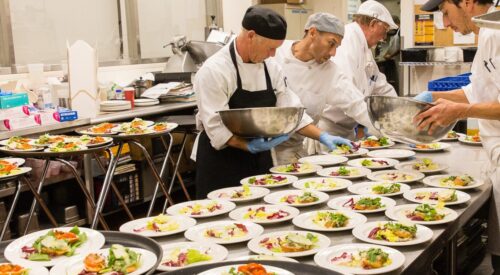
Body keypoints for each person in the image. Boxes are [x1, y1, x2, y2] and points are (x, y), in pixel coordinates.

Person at [193, 6, 352, 199]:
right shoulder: (215, 70)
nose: (273, 55)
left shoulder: (271, 67)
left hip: (259, 158)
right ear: (251, 35)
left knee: (260, 213)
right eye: (271, 48)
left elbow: (292, 110)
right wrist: (248, 146)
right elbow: (216, 128)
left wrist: (323, 136)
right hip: (222, 160)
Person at [414, 0, 500, 272]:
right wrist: (431, 97)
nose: (447, 24)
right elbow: (478, 90)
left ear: (467, 2)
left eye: (446, 13)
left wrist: (459, 111)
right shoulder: (487, 32)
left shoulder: (497, 31)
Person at [271, 12, 377, 164]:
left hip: (292, 151)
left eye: (337, 47)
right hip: (260, 150)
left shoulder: (330, 72)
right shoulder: (275, 54)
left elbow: (357, 104)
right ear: (313, 33)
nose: (333, 53)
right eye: (331, 43)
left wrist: (392, 130)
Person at [316, 0, 399, 145]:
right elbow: (348, 96)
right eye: (384, 31)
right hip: (328, 131)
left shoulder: (364, 47)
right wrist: (379, 128)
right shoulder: (347, 41)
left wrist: (400, 112)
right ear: (373, 24)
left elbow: (380, 86)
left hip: (347, 128)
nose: (384, 38)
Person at [375, 15, 401, 94]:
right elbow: (391, 47)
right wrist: (386, 54)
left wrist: (391, 55)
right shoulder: (397, 33)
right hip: (395, 61)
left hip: (398, 61)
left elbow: (401, 48)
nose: (384, 36)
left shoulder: (401, 32)